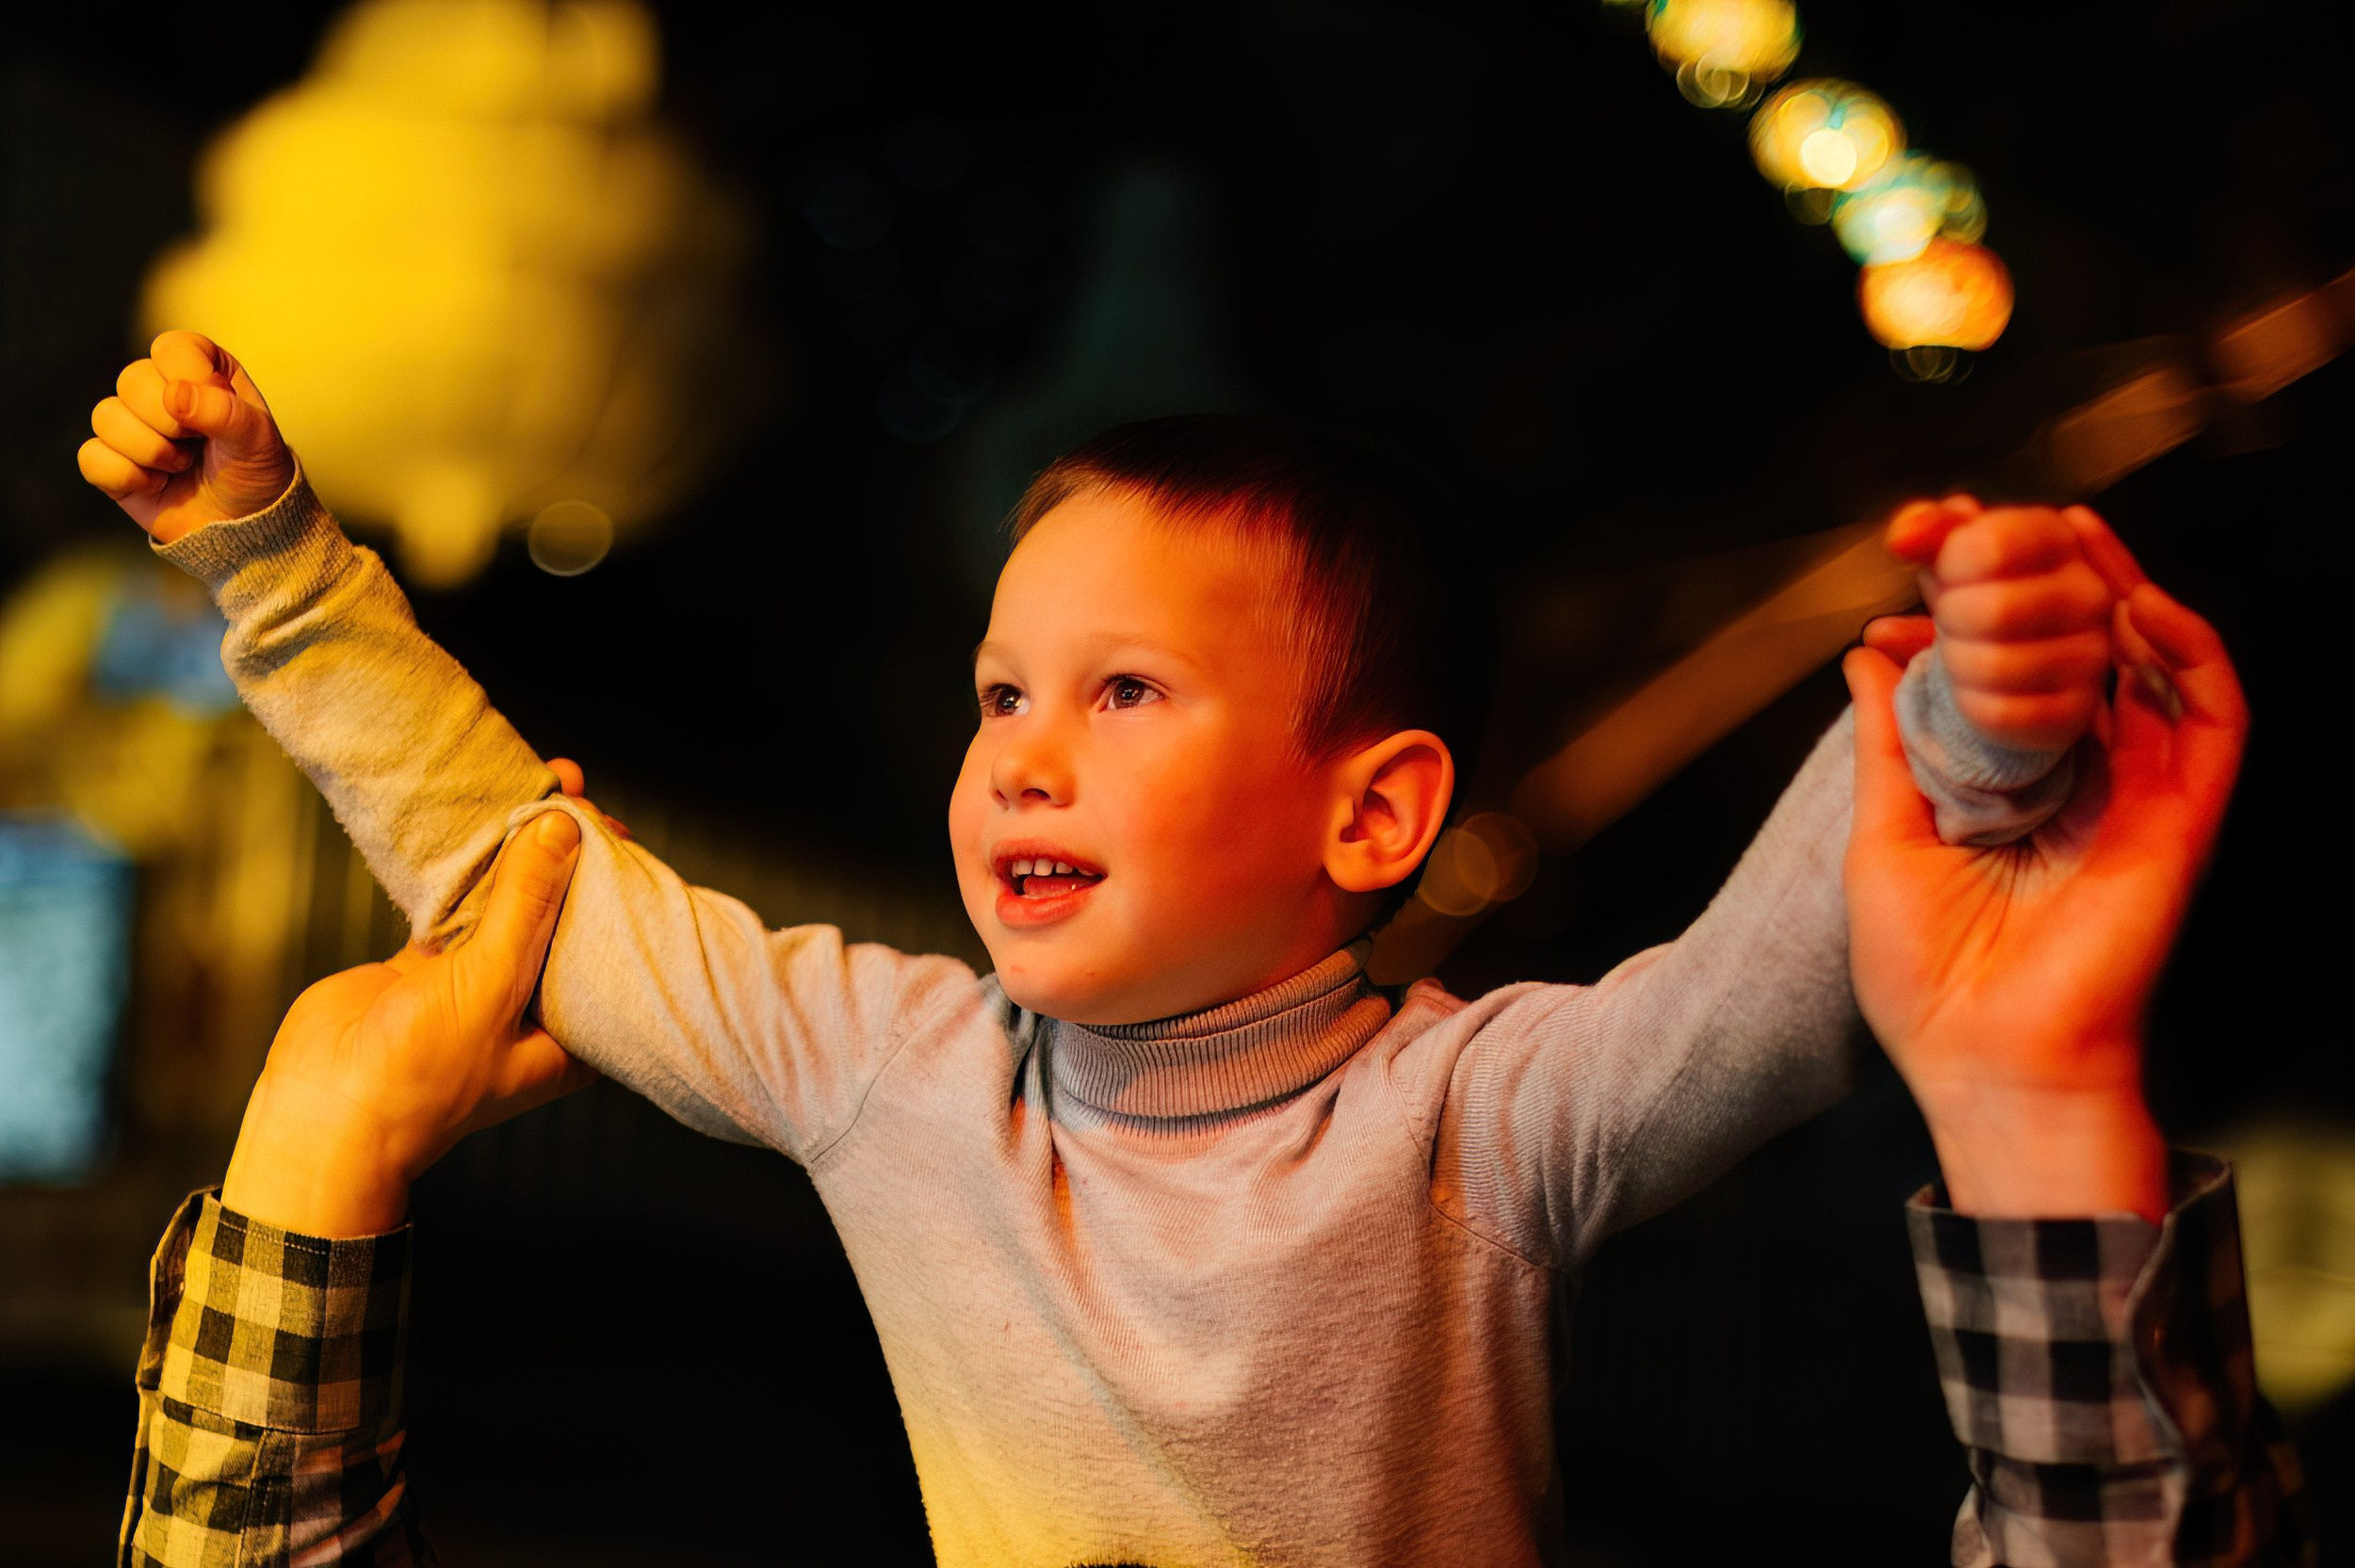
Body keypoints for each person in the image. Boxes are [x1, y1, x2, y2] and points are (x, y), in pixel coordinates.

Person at [78, 330, 2272, 1564]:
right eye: (997, 693)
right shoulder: (888, 1065)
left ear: (1369, 812)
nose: (1020, 754)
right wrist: (269, 557)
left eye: (1122, 690)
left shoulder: (1476, 1115)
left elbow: (1778, 973)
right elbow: (513, 878)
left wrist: (1968, 711)